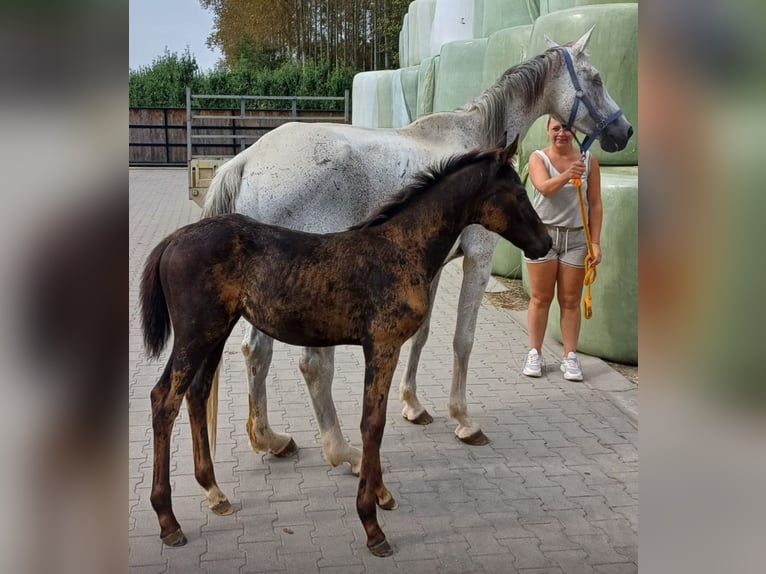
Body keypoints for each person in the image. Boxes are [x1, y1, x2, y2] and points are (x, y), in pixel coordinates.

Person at [522, 115, 602, 381]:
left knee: (570, 301)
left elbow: (596, 203)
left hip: (576, 238)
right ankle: (534, 352)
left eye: (567, 128)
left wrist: (595, 242)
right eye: (556, 128)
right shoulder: (538, 158)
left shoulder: (589, 160)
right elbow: (544, 188)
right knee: (540, 298)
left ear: (575, 131)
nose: (562, 133)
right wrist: (569, 174)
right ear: (548, 131)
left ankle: (570, 357)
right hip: (543, 235)